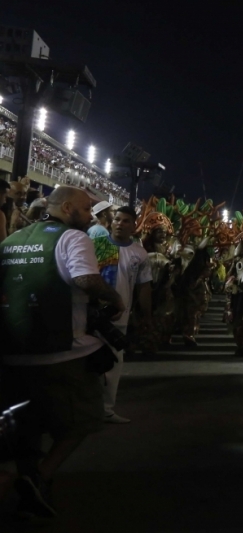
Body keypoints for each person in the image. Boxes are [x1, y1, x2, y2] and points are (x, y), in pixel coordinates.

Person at [0, 185, 125, 517]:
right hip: (60, 352)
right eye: (86, 210)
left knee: (27, 427)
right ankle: (40, 477)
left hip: (12, 351)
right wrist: (114, 298)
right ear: (68, 208)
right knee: (85, 418)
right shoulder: (72, 238)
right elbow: (86, 280)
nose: (90, 217)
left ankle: (31, 484)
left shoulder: (12, 240)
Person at [90, 206, 153, 423]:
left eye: (126, 220)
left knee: (114, 365)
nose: (119, 223)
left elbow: (144, 287)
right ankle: (85, 409)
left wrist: (146, 315)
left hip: (119, 318)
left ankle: (106, 410)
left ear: (133, 225)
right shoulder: (95, 246)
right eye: (117, 219)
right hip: (90, 316)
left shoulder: (140, 253)